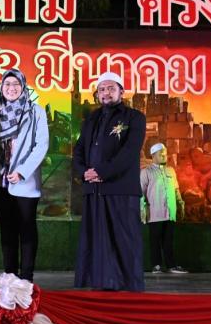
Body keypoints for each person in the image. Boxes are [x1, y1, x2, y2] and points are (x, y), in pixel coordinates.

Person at [73, 71, 146, 291]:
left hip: (121, 189)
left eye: (111, 88)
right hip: (94, 190)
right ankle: (100, 284)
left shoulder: (134, 117)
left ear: (121, 91)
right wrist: (84, 172)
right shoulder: (91, 119)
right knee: (97, 240)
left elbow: (129, 152)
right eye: (102, 89)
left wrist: (100, 172)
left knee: (125, 239)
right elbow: (79, 150)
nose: (106, 93)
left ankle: (129, 286)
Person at [0, 69, 49, 281]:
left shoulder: (35, 111)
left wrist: (22, 172)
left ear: (23, 86)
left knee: (27, 227)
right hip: (0, 180)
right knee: (7, 230)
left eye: (16, 84)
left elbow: (41, 145)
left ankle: (27, 277)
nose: (11, 88)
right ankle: (10, 276)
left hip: (25, 181)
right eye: (7, 84)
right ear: (1, 87)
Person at [141, 143, 187, 274]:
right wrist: (143, 209)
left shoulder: (171, 171)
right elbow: (140, 193)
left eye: (165, 153)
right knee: (155, 240)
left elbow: (176, 189)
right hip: (155, 213)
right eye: (161, 154)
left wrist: (180, 203)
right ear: (153, 155)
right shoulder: (146, 172)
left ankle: (171, 265)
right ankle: (156, 265)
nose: (164, 156)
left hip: (170, 212)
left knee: (168, 240)